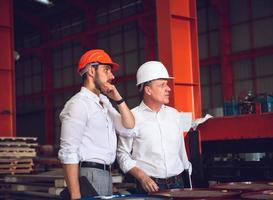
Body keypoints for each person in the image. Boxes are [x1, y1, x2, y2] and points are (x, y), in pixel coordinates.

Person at [58, 49, 135, 199]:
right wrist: (75, 195)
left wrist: (118, 98)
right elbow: (68, 152)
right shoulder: (78, 104)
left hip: (106, 174)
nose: (112, 76)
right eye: (106, 70)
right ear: (91, 71)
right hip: (89, 174)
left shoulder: (104, 103)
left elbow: (128, 127)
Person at [117, 61, 192, 193]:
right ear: (148, 90)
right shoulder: (132, 117)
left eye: (167, 84)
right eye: (162, 85)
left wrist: (188, 183)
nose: (168, 89)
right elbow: (122, 154)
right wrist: (142, 177)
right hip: (150, 186)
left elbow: (182, 152)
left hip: (179, 184)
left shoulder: (174, 115)